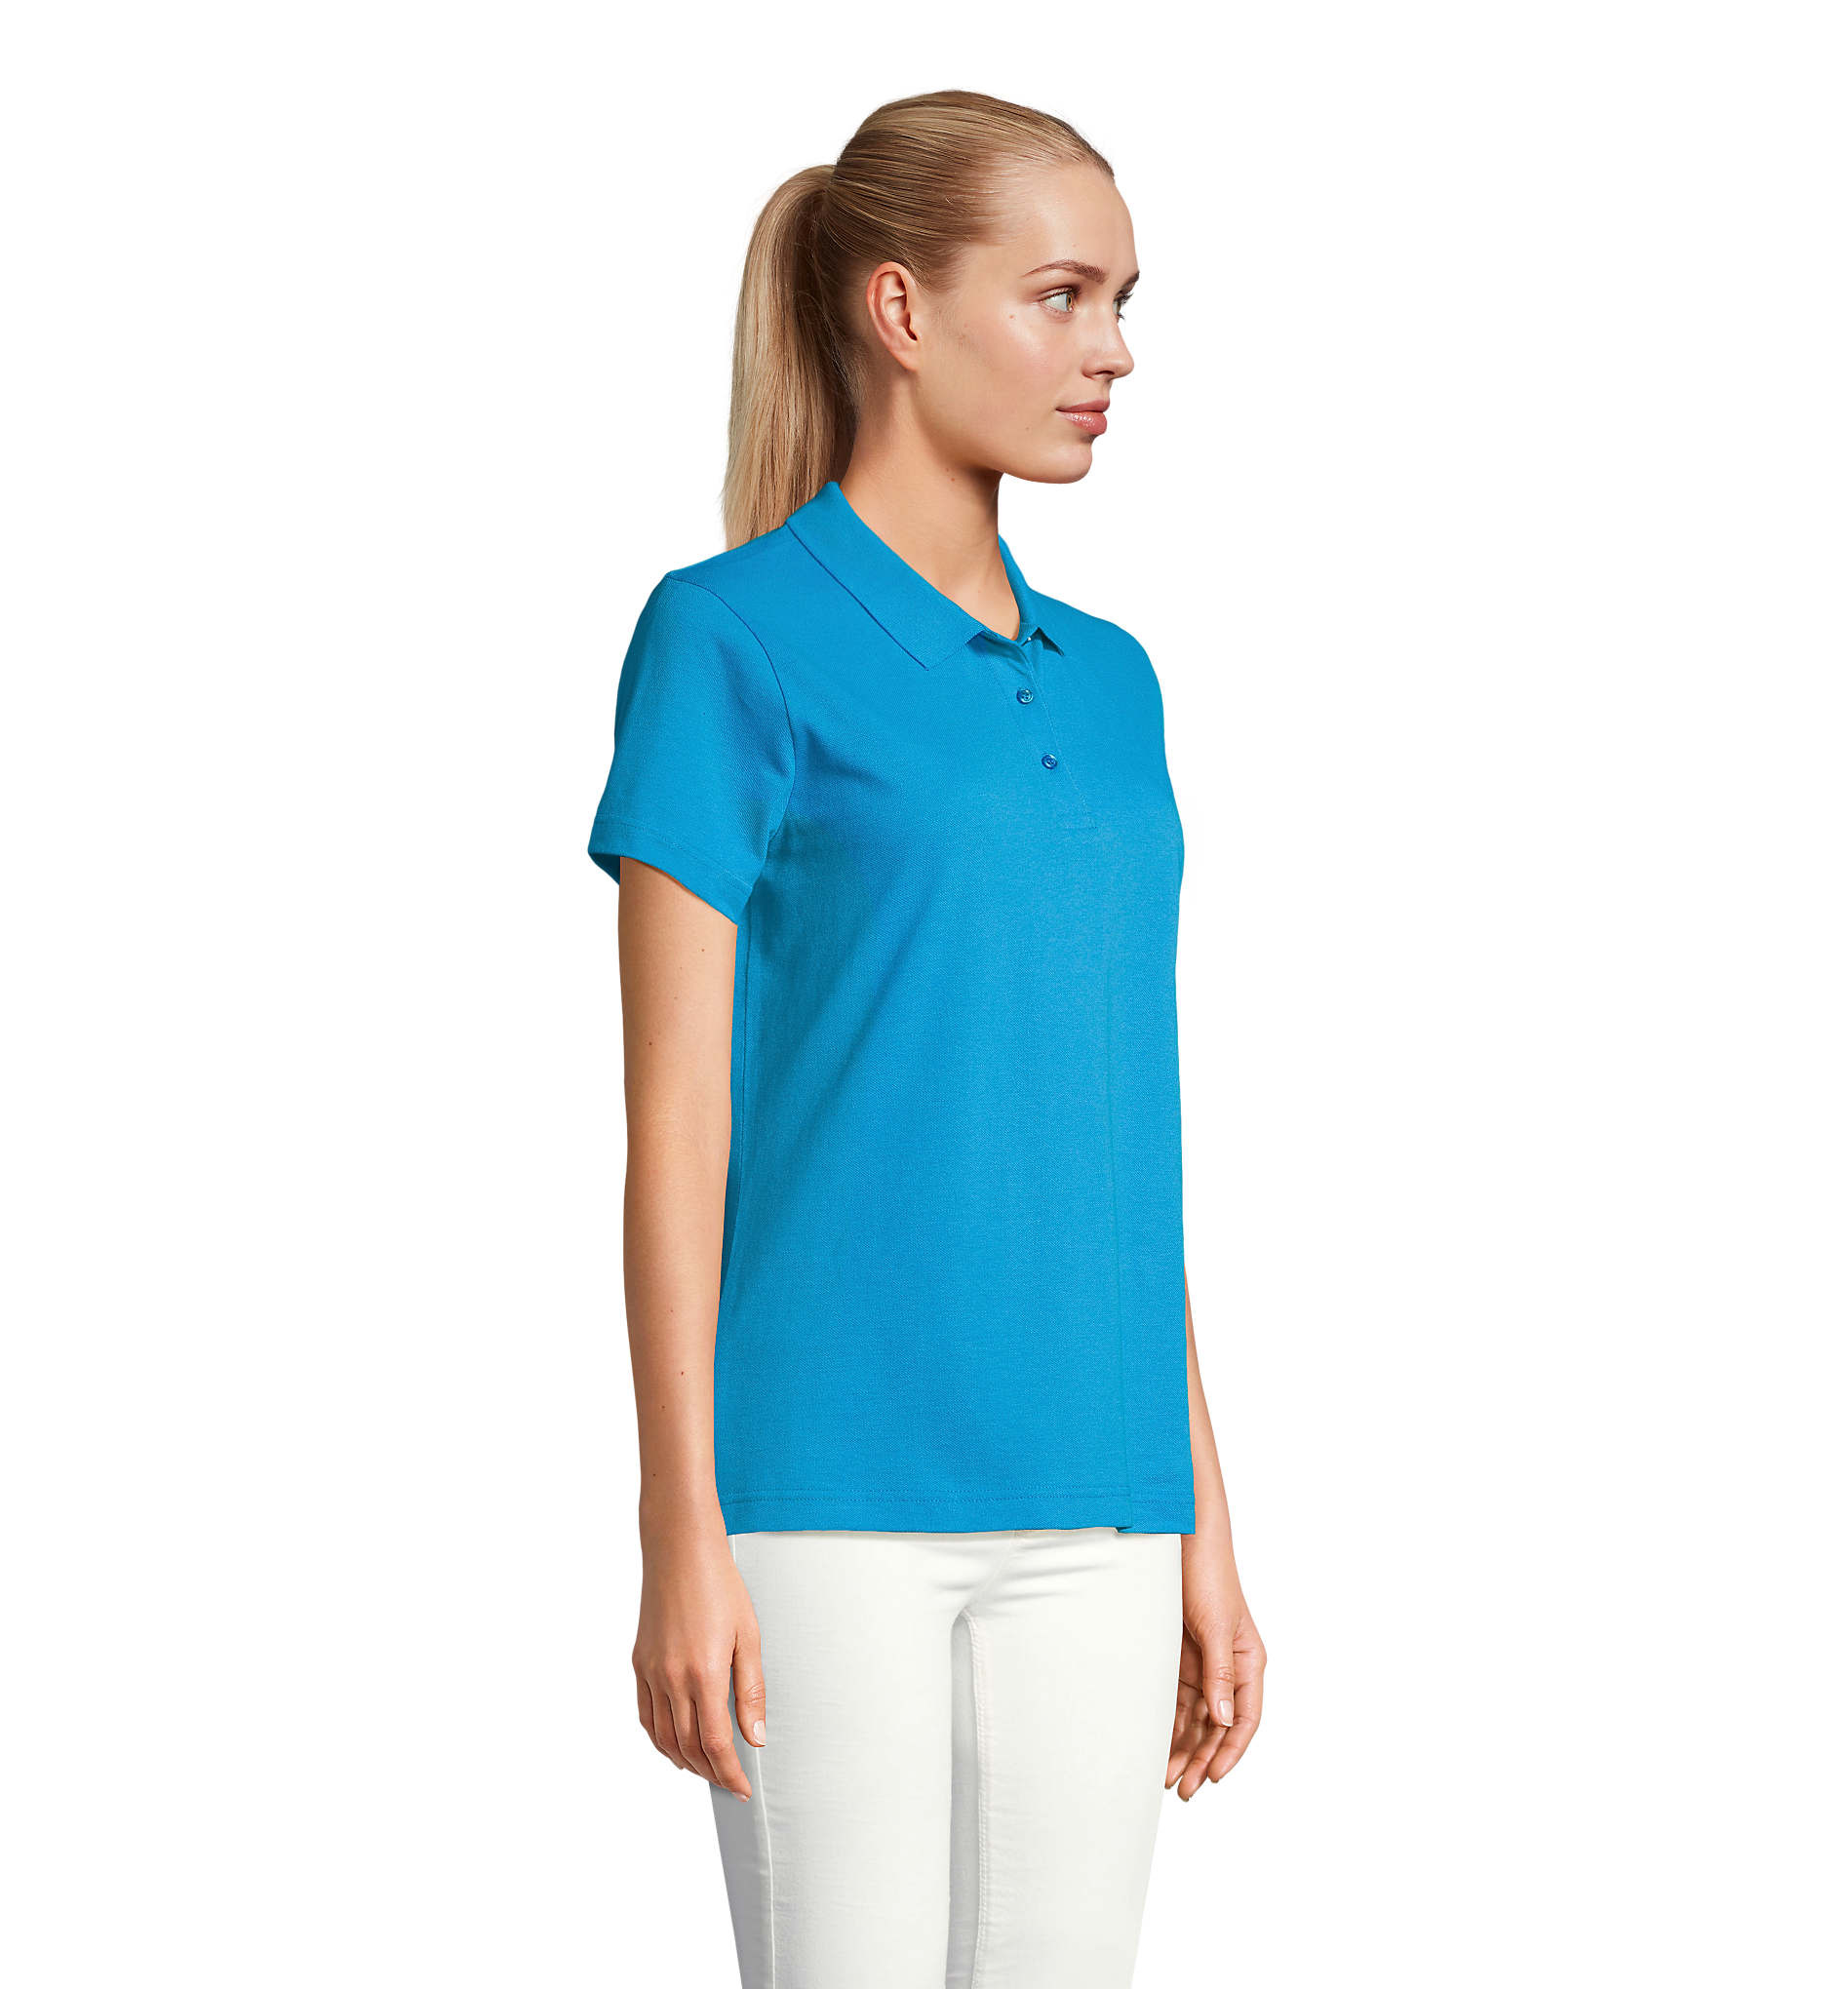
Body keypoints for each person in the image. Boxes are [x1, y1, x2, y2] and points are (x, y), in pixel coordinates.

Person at [587, 88, 1266, 1989]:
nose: (1112, 350)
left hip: (1103, 1501)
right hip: (826, 1504)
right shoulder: (726, 639)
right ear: (898, 309)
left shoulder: (1114, 684)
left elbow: (1111, 1125)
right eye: (1061, 296)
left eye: (1121, 300)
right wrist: (677, 1528)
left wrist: (1202, 1518)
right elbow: (675, 1133)